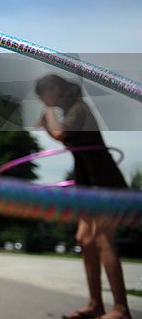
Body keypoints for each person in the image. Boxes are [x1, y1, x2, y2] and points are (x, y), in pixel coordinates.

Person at [36, 74, 132, 319]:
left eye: (42, 95)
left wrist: (48, 113)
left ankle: (121, 309)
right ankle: (95, 304)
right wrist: (48, 122)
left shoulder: (80, 109)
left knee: (102, 238)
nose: (41, 100)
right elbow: (62, 136)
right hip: (87, 184)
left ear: (54, 90)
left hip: (104, 183)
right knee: (85, 239)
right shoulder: (72, 112)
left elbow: (60, 134)